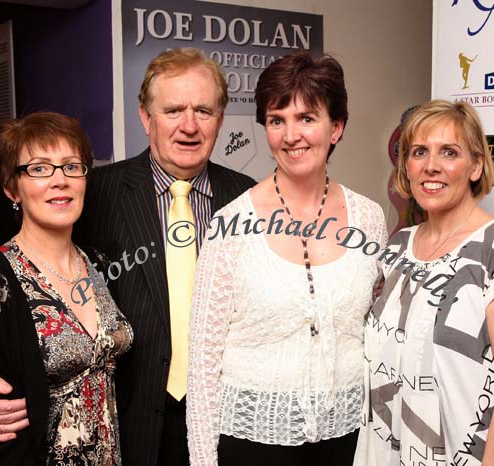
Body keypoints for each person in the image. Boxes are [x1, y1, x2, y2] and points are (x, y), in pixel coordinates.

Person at [0, 48, 256, 466]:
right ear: (145, 116)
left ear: (221, 118)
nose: (189, 126)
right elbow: (19, 288)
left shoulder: (250, 200)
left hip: (227, 422)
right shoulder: (93, 191)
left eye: (203, 110)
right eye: (172, 110)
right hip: (128, 430)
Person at [187, 51, 387, 466]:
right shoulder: (230, 226)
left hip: (347, 441)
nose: (291, 135)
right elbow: (203, 366)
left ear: (337, 127)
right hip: (251, 444)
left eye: (306, 118)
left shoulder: (370, 218)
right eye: (277, 120)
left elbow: (372, 334)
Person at [355, 100, 494, 466]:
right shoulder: (397, 248)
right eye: (419, 152)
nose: (431, 166)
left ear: (475, 166)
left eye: (449, 152)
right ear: (406, 167)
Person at [0, 111, 133, 465]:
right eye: (39, 168)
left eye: (71, 166)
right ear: (11, 188)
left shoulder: (99, 263)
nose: (60, 180)